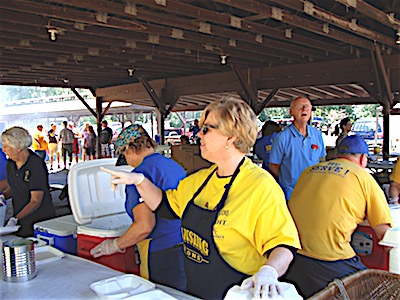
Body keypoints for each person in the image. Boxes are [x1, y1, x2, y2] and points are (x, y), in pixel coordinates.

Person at [101, 98, 301, 299]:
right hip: (197, 292)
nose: (198, 134)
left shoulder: (260, 186)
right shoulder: (199, 181)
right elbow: (164, 207)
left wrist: (269, 271)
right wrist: (140, 180)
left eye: (206, 129)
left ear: (230, 136)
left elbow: (283, 245)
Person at [285, 135, 393, 298]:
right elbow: (384, 234)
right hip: (332, 263)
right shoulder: (363, 177)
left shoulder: (308, 171)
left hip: (291, 260)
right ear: (363, 159)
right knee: (377, 290)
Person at [90, 124, 187, 291]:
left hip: (161, 253)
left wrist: (114, 245)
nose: (127, 162)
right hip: (187, 246)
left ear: (129, 150)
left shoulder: (138, 176)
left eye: (124, 155)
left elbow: (144, 226)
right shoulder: (173, 165)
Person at [1, 126, 55, 237]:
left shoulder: (36, 165)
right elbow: (15, 184)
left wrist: (15, 219)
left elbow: (36, 200)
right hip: (21, 220)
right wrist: (4, 196)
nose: (3, 149)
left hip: (39, 220)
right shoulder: (11, 164)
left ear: (18, 147)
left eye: (6, 145)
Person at [269, 96, 326, 200]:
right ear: (291, 112)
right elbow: (274, 166)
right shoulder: (282, 138)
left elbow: (321, 161)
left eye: (307, 107)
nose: (304, 109)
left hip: (313, 192)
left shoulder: (317, 135)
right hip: (290, 195)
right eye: (300, 106)